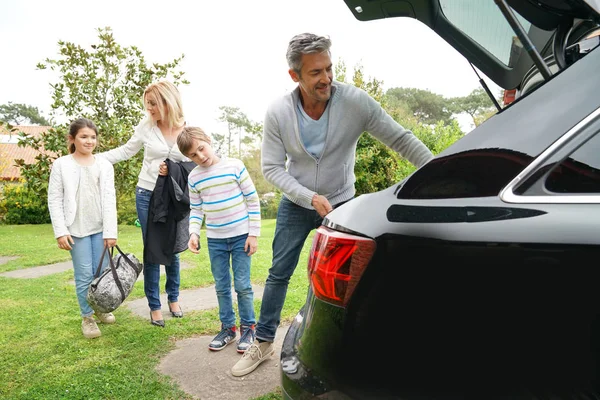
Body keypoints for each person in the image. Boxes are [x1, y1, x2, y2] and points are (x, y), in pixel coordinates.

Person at [231, 33, 434, 376]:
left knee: (350, 278)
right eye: (315, 72)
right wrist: (307, 197)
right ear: (295, 75)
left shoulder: (355, 102)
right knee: (279, 273)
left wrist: (438, 171)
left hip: (342, 201)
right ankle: (263, 343)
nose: (326, 78)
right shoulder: (279, 112)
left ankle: (348, 343)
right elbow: (270, 168)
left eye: (329, 68)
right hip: (296, 204)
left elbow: (401, 138)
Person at [98, 80, 189, 327]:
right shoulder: (147, 127)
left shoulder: (188, 129)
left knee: (172, 248)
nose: (149, 109)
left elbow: (197, 160)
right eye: (147, 104)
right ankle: (154, 305)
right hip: (148, 194)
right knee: (152, 250)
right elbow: (126, 151)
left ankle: (173, 298)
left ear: (167, 101)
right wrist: (92, 158)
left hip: (174, 198)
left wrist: (173, 168)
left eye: (152, 104)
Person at [177, 127, 261, 353]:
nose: (201, 156)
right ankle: (228, 329)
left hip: (241, 237)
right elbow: (196, 209)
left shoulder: (235, 166)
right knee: (222, 286)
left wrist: (253, 234)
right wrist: (193, 233)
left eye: (201, 149)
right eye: (194, 155)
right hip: (215, 240)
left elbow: (252, 201)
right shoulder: (194, 177)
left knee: (242, 285)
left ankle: (248, 328)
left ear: (209, 140)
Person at [48, 118, 118, 339]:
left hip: (100, 228)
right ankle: (87, 317)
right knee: (84, 274)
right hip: (74, 230)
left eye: (93, 137)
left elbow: (109, 199)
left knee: (101, 273)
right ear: (72, 139)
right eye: (84, 137)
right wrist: (60, 231)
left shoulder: (104, 165)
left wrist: (110, 232)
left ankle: (99, 309)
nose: (89, 141)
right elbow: (54, 199)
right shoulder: (61, 165)